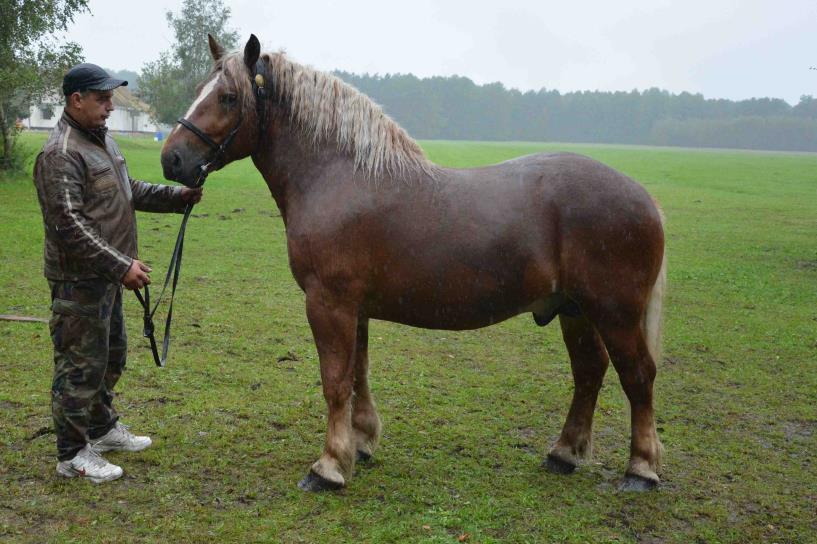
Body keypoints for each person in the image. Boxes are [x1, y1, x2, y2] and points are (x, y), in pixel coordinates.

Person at [33, 63, 203, 483]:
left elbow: (131, 191)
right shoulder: (61, 153)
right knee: (79, 368)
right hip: (79, 281)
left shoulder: (101, 142)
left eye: (111, 98)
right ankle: (72, 454)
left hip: (106, 279)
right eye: (103, 99)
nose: (111, 106)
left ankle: (101, 428)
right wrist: (121, 264)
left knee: (111, 356)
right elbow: (68, 226)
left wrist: (177, 196)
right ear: (77, 100)